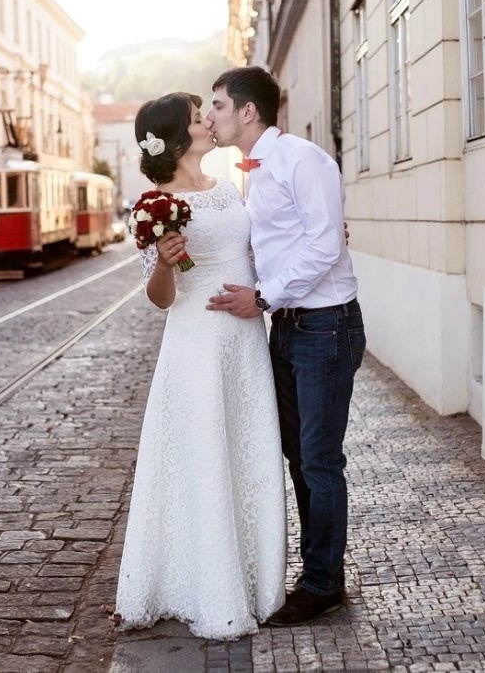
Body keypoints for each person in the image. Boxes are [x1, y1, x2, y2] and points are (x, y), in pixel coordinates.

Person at [115, 92, 286, 640]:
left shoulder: (228, 189)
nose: (208, 121)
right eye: (197, 118)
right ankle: (211, 589)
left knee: (248, 450)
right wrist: (165, 263)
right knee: (204, 454)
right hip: (195, 342)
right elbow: (161, 298)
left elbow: (258, 250)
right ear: (176, 137)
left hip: (244, 339)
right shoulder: (154, 205)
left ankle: (260, 580)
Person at [205, 66, 366, 627]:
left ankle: (323, 583)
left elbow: (324, 245)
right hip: (290, 329)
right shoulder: (254, 173)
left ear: (248, 111)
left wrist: (264, 297)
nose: (211, 116)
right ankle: (319, 570)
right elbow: (269, 247)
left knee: (320, 460)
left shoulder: (304, 160)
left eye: (219, 106)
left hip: (326, 326)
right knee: (298, 457)